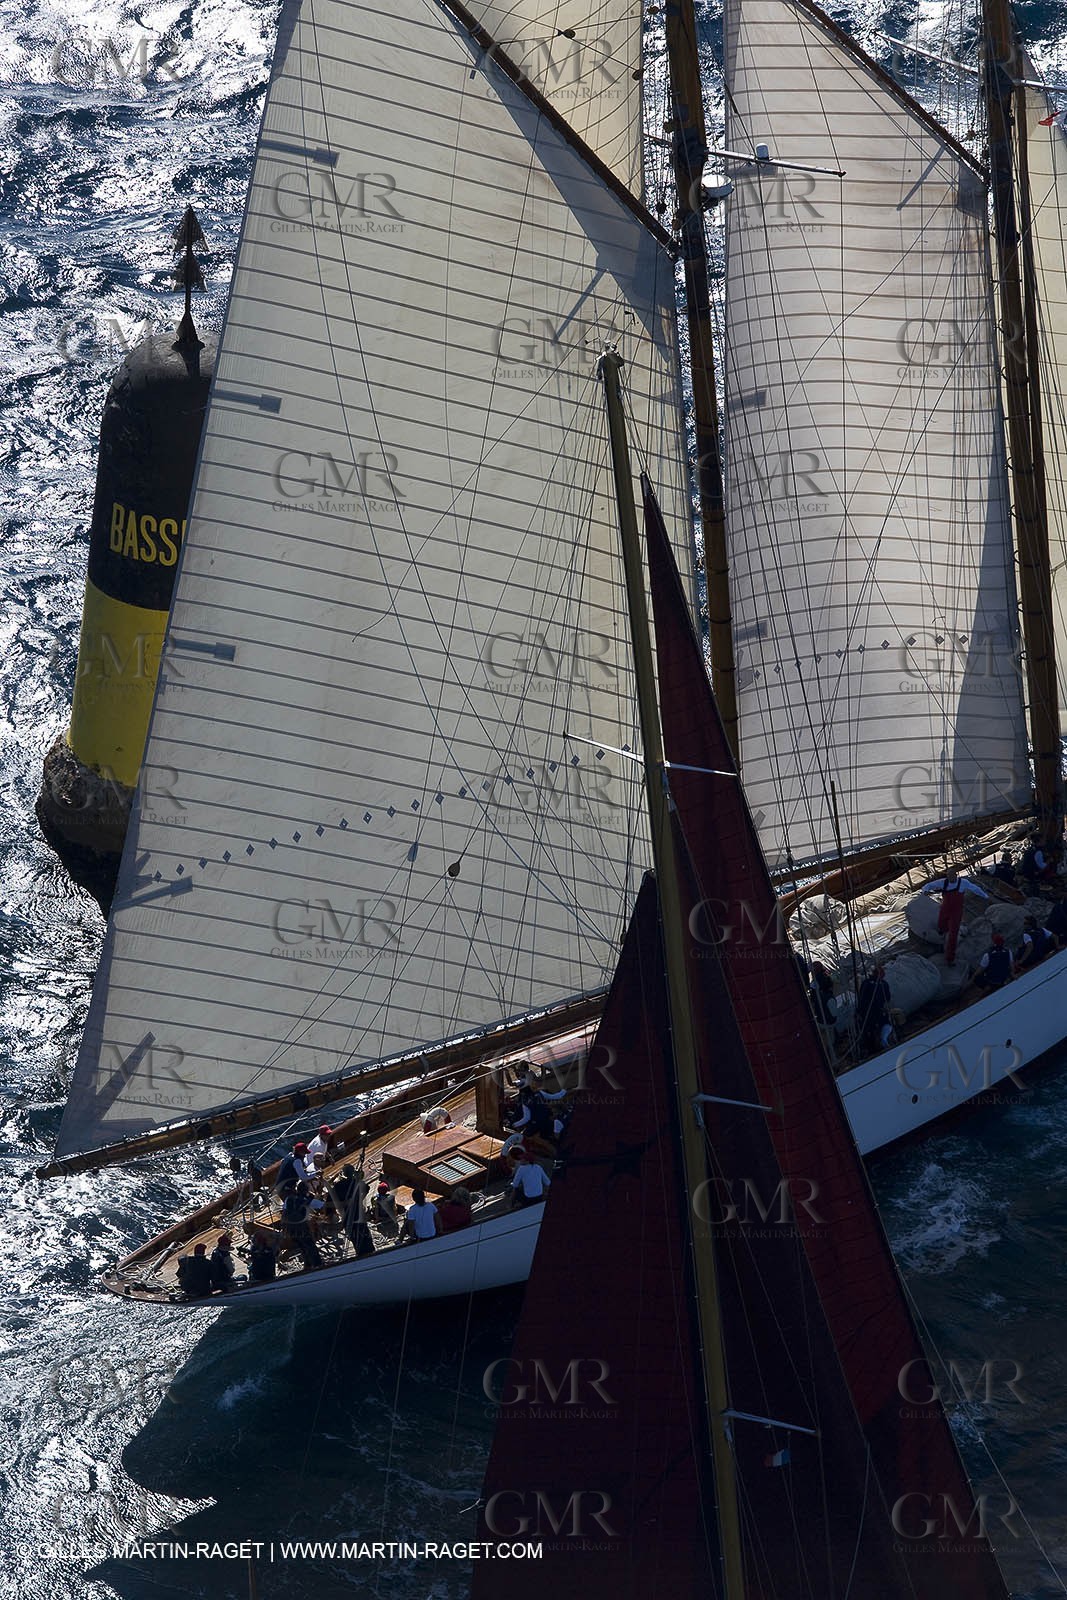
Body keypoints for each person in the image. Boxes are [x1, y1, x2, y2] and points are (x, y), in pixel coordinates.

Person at [332, 1164, 375, 1257]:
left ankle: (360, 1252)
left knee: (353, 1232)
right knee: (363, 1231)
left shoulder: (338, 1186)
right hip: (357, 1211)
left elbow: (332, 1200)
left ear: (344, 1173)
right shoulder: (356, 1182)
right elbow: (367, 1188)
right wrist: (360, 1198)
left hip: (347, 1213)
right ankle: (370, 1250)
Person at [281, 1182, 324, 1270]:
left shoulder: (288, 1199)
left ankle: (307, 1264)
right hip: (300, 1226)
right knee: (310, 1245)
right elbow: (322, 1206)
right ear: (306, 1191)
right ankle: (318, 1264)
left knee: (302, 1245)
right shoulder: (307, 1200)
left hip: (289, 1227)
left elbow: (284, 1213)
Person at [857, 965, 893, 1053]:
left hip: (867, 1013)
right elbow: (887, 998)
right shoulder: (884, 984)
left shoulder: (866, 983)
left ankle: (872, 1048)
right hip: (878, 1011)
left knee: (869, 1029)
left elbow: (861, 999)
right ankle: (883, 1041)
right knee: (886, 1024)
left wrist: (860, 1012)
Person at [808, 961, 836, 1047]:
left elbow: (812, 998)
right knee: (831, 1029)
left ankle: (828, 1048)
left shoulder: (815, 983)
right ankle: (834, 1042)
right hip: (831, 1013)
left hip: (823, 1018)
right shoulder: (827, 977)